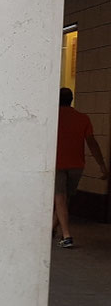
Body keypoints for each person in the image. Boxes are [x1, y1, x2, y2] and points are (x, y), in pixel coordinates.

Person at [53, 87, 109, 248]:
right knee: (66, 198)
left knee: (60, 198)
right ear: (71, 100)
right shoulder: (83, 118)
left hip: (57, 163)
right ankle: (53, 228)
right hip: (77, 165)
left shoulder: (53, 118)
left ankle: (67, 235)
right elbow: (92, 143)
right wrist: (102, 166)